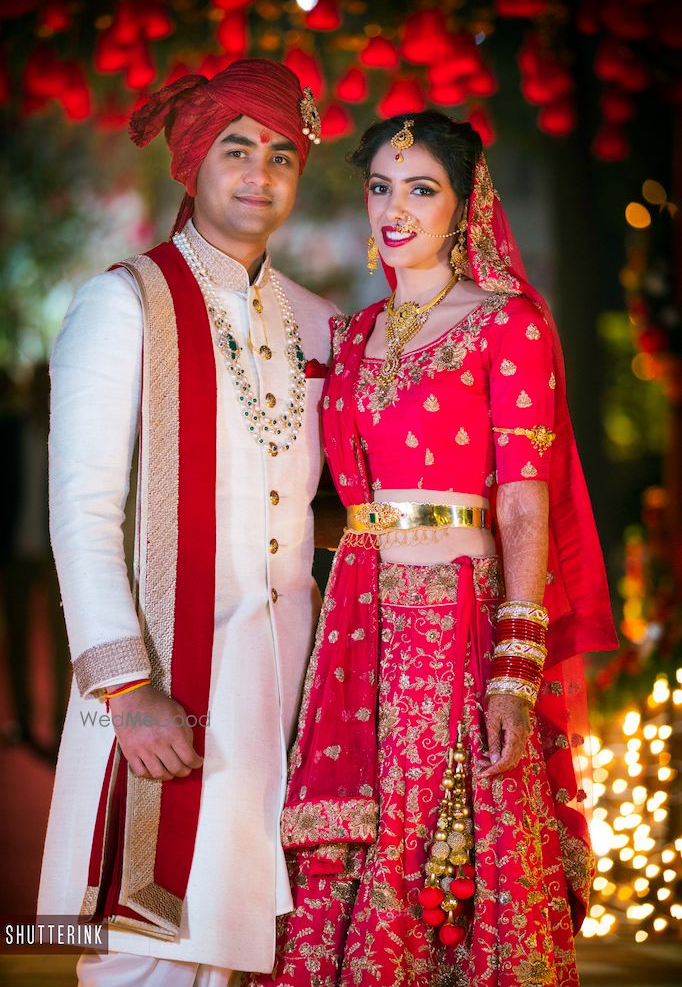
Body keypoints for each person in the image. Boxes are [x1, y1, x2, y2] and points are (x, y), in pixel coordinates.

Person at [247, 112, 618, 987]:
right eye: (381, 186)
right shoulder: (353, 335)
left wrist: (516, 663)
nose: (396, 208)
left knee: (439, 832)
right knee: (355, 833)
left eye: (422, 189)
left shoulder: (507, 323)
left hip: (458, 620)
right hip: (359, 618)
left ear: (465, 205)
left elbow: (525, 502)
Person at [37, 58, 338, 986]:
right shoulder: (123, 303)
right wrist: (126, 689)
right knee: (149, 954)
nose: (261, 173)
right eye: (238, 148)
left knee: (258, 949)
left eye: (283, 154)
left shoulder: (319, 323)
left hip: (290, 693)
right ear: (194, 159)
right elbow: (83, 510)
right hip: (167, 689)